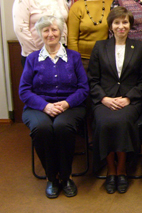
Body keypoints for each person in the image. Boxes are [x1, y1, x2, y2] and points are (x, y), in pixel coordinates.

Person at [19, 15, 89, 199]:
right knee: (42, 128)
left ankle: (66, 178)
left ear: (61, 32)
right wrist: (45, 106)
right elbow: (24, 91)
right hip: (37, 108)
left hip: (71, 106)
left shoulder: (73, 57)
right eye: (46, 30)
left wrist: (67, 103)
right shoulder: (32, 59)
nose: (51, 34)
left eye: (54, 30)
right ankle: (51, 177)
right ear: (41, 34)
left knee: (61, 126)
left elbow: (84, 88)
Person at [88, 7, 142, 194]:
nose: (121, 26)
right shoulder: (100, 47)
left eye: (125, 22)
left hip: (129, 101)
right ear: (111, 26)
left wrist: (129, 98)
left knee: (122, 122)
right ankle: (110, 170)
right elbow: (92, 80)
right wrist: (104, 99)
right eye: (117, 22)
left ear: (130, 25)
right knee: (105, 122)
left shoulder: (139, 47)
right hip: (104, 99)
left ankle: (122, 169)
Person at [68, 0, 113, 70]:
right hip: (83, 60)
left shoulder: (110, 4)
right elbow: (72, 39)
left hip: (105, 59)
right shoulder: (76, 7)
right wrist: (75, 61)